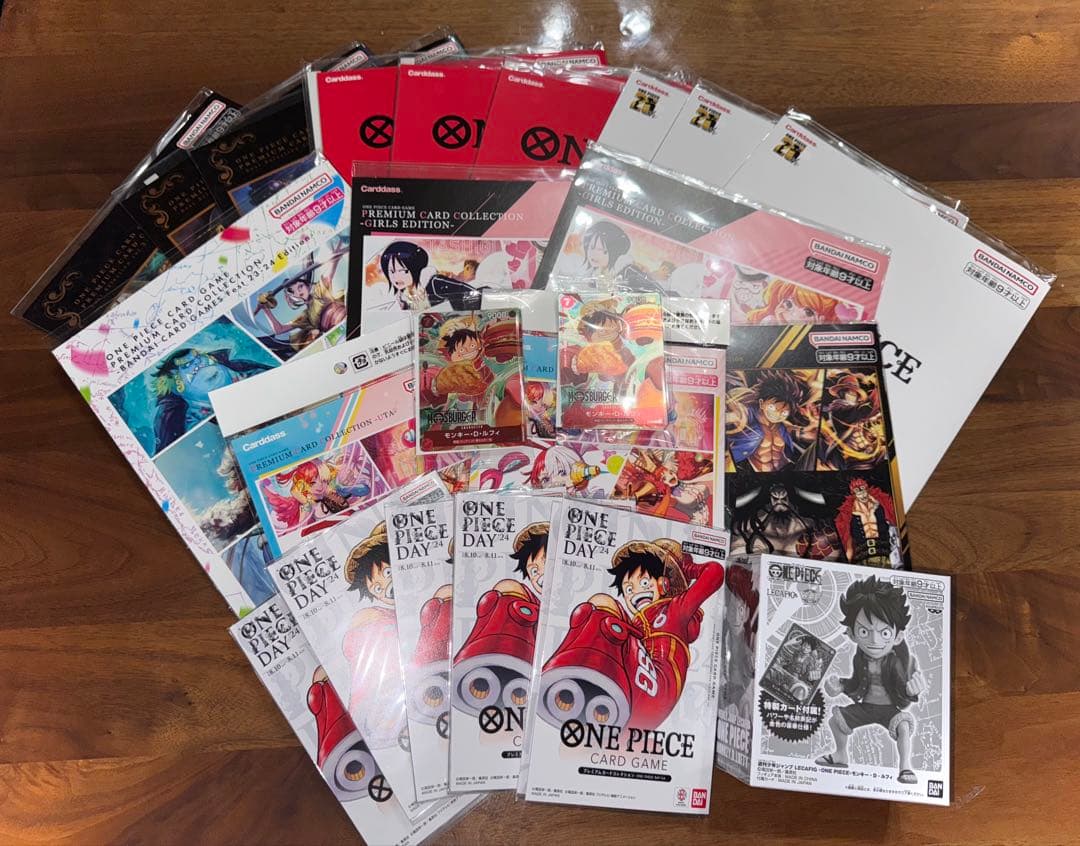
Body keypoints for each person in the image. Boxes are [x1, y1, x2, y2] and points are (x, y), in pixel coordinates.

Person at [816, 575, 927, 784]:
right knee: (834, 721)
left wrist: (911, 692)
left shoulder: (895, 662)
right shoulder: (859, 658)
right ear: (851, 634)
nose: (874, 640)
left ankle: (905, 767)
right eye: (864, 631)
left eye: (884, 633)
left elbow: (902, 687)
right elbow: (855, 682)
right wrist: (840, 686)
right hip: (865, 708)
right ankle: (840, 755)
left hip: (889, 710)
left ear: (897, 636)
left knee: (903, 727)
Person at [151, 347, 271, 453]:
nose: (198, 363)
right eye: (186, 365)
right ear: (176, 387)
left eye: (198, 357)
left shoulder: (258, 374)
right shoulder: (195, 428)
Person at [380, 241, 481, 312]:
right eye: (391, 271)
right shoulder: (402, 296)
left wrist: (460, 317)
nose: (396, 277)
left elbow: (471, 294)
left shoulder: (434, 283)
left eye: (403, 271)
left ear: (415, 267)